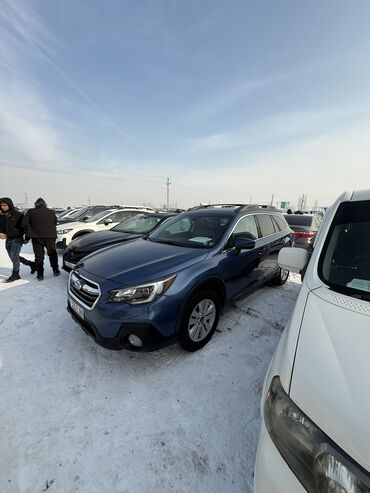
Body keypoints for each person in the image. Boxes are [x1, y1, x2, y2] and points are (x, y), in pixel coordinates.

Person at [22, 197, 60, 281]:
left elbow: (23, 223)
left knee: (39, 256)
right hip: (50, 236)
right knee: (52, 253)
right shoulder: (51, 212)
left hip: (37, 237)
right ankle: (56, 270)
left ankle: (40, 274)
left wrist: (28, 235)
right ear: (45, 204)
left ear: (36, 204)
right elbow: (55, 222)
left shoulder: (31, 212)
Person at [0, 197, 26, 282]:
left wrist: (26, 238)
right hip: (8, 239)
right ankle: (31, 264)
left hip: (17, 239)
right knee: (13, 257)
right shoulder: (1, 215)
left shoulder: (18, 214)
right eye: (1, 205)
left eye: (4, 205)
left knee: (14, 257)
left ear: (9, 205)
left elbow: (24, 227)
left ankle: (16, 274)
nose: (2, 207)